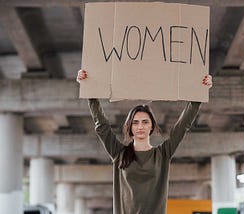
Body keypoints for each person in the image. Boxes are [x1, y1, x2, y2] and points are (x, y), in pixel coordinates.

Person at [77, 69, 212, 214]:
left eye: (145, 122)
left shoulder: (163, 154)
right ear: (129, 126)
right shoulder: (119, 153)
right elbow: (102, 126)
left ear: (152, 126)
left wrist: (199, 93)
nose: (140, 126)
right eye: (135, 123)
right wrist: (89, 90)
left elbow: (183, 125)